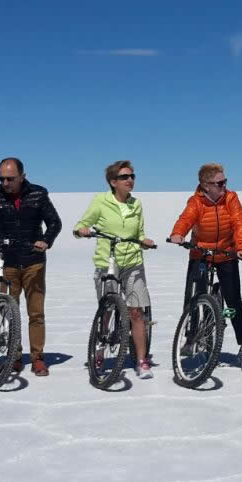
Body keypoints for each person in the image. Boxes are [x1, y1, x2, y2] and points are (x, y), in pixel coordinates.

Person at [0, 157, 62, 376]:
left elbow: (55, 222)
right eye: (2, 178)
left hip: (33, 261)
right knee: (8, 311)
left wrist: (46, 240)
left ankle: (37, 358)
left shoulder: (38, 194)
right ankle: (14, 357)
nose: (5, 183)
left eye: (10, 179)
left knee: (35, 313)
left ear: (22, 177)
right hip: (6, 262)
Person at [73, 160, 157, 379]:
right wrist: (82, 230)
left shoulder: (136, 204)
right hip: (107, 261)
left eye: (132, 176)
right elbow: (82, 223)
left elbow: (138, 232)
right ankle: (99, 352)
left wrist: (143, 240)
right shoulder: (100, 201)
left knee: (136, 312)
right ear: (113, 182)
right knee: (107, 309)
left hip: (133, 261)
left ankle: (141, 360)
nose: (130, 180)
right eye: (124, 177)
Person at [168, 163, 242, 371]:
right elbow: (186, 218)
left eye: (225, 181)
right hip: (201, 254)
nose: (224, 185)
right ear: (205, 185)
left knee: (233, 303)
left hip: (226, 253)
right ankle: (190, 338)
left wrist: (241, 248)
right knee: (193, 298)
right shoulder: (196, 201)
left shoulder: (231, 199)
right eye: (220, 183)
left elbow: (239, 223)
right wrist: (177, 234)